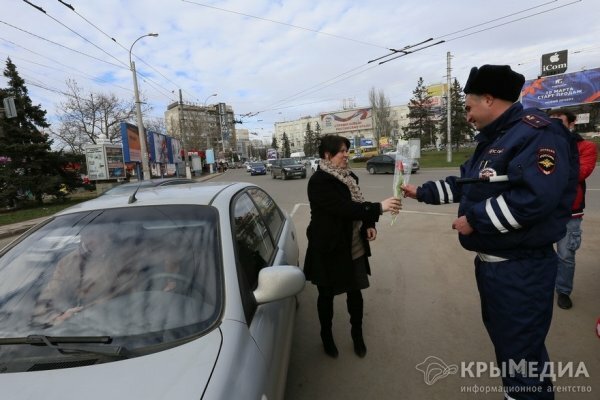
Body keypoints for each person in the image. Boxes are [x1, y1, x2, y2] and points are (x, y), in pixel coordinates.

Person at [402, 65, 578, 399]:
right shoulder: (497, 139)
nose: (466, 115)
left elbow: (535, 199)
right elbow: (468, 184)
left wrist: (475, 220)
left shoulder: (538, 133)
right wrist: (420, 192)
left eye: (467, 107)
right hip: (496, 268)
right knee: (512, 353)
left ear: (488, 99)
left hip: (521, 269)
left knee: (523, 363)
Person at [304, 134, 401, 358]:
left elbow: (357, 204)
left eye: (347, 151)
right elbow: (344, 209)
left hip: (353, 245)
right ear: (328, 155)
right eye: (342, 152)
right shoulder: (319, 182)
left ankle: (357, 336)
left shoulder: (350, 177)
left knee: (355, 294)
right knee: (326, 296)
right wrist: (379, 208)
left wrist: (368, 223)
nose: (347, 156)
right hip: (328, 248)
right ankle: (326, 337)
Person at [32, 224, 140, 327]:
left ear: (111, 236)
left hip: (115, 322)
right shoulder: (66, 262)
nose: (99, 239)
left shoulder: (123, 259)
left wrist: (82, 312)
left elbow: (121, 294)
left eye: (104, 233)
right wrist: (56, 317)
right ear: (82, 236)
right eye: (91, 233)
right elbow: (50, 293)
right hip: (73, 328)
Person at [547, 109, 597, 310]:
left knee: (566, 255)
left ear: (571, 123)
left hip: (571, 211)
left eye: (559, 121)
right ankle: (542, 287)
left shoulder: (586, 146)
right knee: (540, 253)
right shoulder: (542, 144)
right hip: (544, 210)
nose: (554, 125)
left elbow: (581, 172)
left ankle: (564, 290)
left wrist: (547, 171)